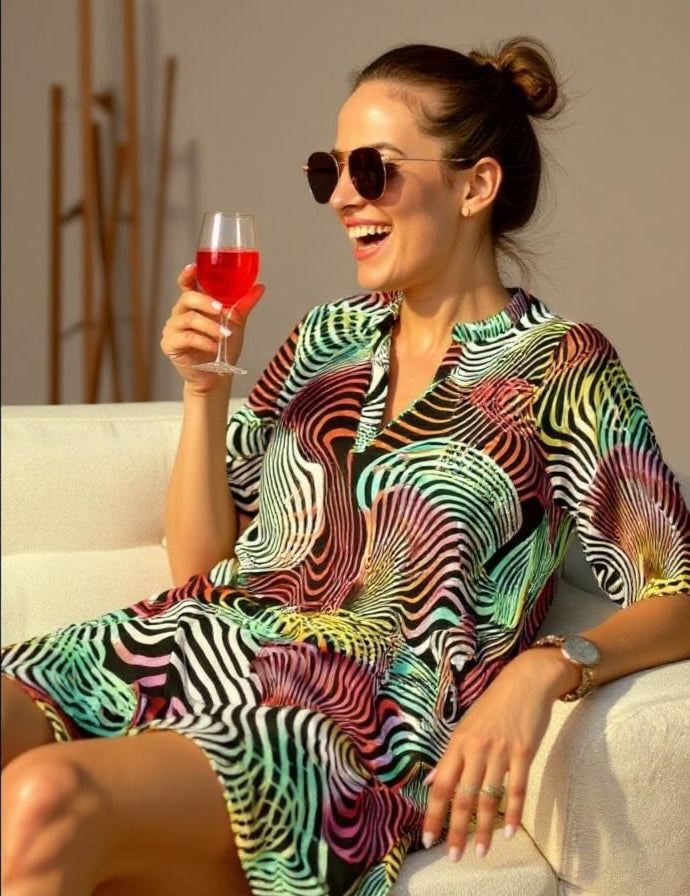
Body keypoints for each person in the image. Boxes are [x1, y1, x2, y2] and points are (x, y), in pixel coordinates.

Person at [2, 36, 690, 896]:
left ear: (475, 186)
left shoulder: (562, 365)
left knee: (44, 798)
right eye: (328, 170)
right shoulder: (325, 338)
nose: (340, 197)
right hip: (187, 647)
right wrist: (205, 390)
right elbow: (202, 566)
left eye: (373, 169)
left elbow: (679, 594)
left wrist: (545, 665)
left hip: (343, 725)